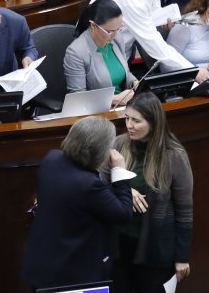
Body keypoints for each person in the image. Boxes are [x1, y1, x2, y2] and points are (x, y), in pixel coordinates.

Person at [22, 116, 133, 289]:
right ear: (99, 151)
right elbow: (123, 213)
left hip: (43, 267)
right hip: (77, 276)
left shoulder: (51, 159)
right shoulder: (88, 185)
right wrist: (119, 171)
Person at [111, 93, 194, 292]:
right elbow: (97, 184)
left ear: (154, 123)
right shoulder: (118, 144)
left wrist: (182, 257)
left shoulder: (174, 155)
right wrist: (125, 189)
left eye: (136, 121)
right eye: (127, 118)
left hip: (155, 249)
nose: (129, 125)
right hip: (119, 245)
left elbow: (184, 211)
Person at [64, 0, 137, 108]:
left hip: (124, 105)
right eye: (109, 31)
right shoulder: (76, 52)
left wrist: (133, 82)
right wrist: (114, 99)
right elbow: (78, 99)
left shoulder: (117, 39)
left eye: (119, 29)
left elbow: (124, 72)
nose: (115, 35)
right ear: (93, 26)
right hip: (98, 111)